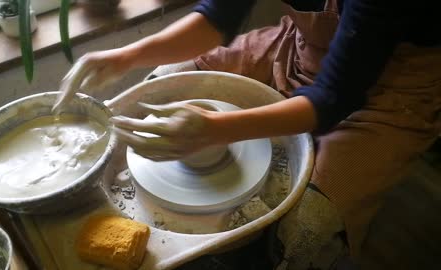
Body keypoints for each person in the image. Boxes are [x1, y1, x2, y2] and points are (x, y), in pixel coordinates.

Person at [54, 0, 441, 268]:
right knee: (168, 80)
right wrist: (128, 55)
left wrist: (214, 132)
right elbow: (216, 18)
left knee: (307, 223)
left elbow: (334, 97)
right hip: (300, 47)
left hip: (390, 91)